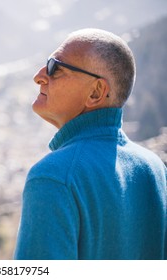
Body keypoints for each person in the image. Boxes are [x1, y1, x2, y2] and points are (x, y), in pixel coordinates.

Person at [14, 28, 167, 260]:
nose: (39, 75)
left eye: (55, 68)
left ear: (96, 92)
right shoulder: (154, 170)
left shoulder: (54, 177)